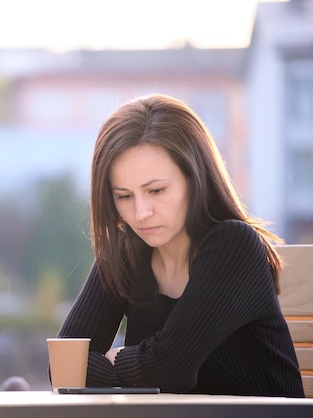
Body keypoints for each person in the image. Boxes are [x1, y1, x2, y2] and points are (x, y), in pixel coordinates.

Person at [57, 94, 304, 397]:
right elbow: (64, 363)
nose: (141, 213)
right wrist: (139, 366)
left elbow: (170, 370)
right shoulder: (126, 253)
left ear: (195, 178)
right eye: (124, 196)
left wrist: (115, 359)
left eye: (156, 190)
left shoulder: (234, 246)